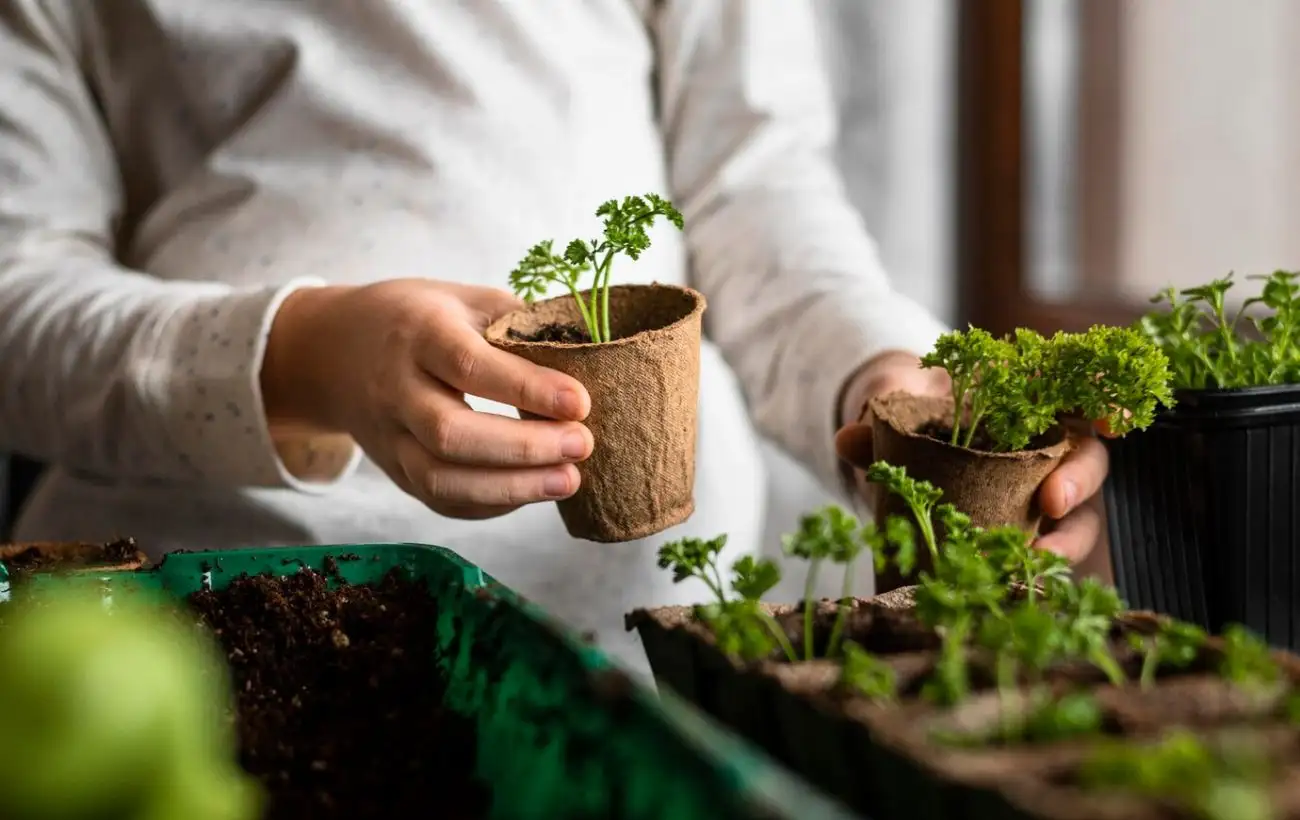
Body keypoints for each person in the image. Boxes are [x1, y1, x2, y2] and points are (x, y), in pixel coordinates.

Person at [0, 0, 1108, 676]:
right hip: (192, 620)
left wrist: (890, 382)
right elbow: (18, 297)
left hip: (644, 641)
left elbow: (756, 192)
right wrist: (309, 353)